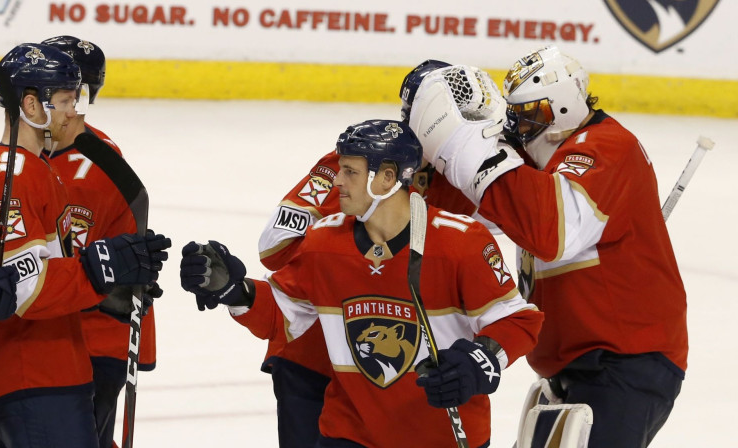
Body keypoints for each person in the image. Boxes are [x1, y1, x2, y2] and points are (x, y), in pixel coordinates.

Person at [181, 119, 543, 447]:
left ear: (387, 179)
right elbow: (283, 316)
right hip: (349, 433)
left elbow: (519, 321)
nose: (336, 181)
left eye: (350, 172)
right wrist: (233, 291)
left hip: (440, 436)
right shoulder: (323, 241)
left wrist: (479, 362)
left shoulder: (460, 242)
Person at [407, 45, 686, 447]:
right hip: (578, 369)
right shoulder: (548, 165)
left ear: (565, 107)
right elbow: (473, 209)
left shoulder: (607, 148)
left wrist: (463, 141)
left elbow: (550, 232)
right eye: (517, 115)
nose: (520, 126)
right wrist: (426, 162)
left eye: (532, 114)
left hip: (625, 364)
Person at [0, 43, 171, 447]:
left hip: (36, 371)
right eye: (67, 100)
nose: (75, 111)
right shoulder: (11, 172)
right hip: (30, 371)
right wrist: (101, 267)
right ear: (31, 106)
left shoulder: (30, 168)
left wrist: (105, 285)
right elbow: (24, 287)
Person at [253, 59, 483, 447]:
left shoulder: (459, 180)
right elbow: (274, 248)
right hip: (316, 356)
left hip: (393, 373)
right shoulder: (355, 167)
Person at [41, 35, 160, 448]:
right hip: (30, 339)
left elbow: (131, 265)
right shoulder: (15, 156)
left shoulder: (104, 163)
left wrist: (127, 280)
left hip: (91, 343)